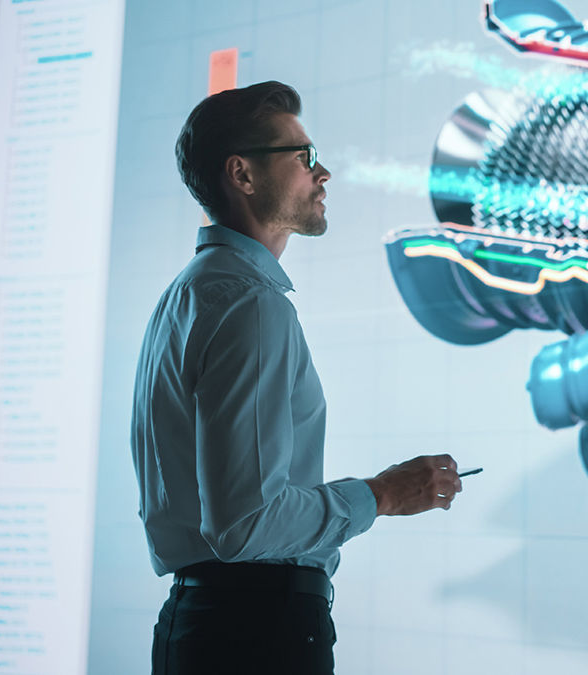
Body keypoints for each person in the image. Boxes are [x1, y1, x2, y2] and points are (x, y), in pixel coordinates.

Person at [131, 80, 463, 674]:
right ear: (243, 174)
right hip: (253, 634)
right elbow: (245, 524)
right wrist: (383, 494)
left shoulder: (187, 295)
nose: (323, 173)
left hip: (207, 625)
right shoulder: (249, 304)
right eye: (304, 156)